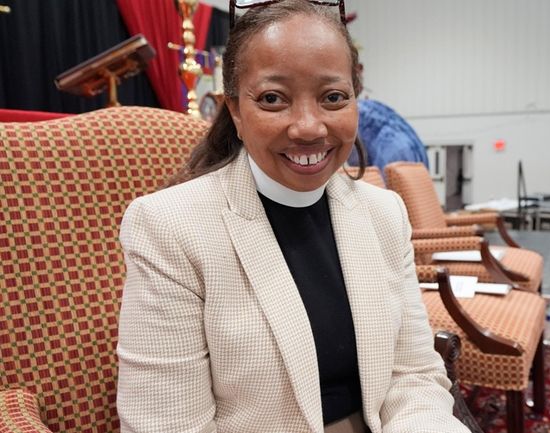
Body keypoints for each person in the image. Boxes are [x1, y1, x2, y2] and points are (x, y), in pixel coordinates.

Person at [115, 1, 470, 432]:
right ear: (235, 111)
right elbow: (168, 423)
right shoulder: (168, 226)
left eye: (333, 97)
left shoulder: (383, 213)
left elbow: (412, 375)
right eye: (272, 99)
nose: (308, 127)